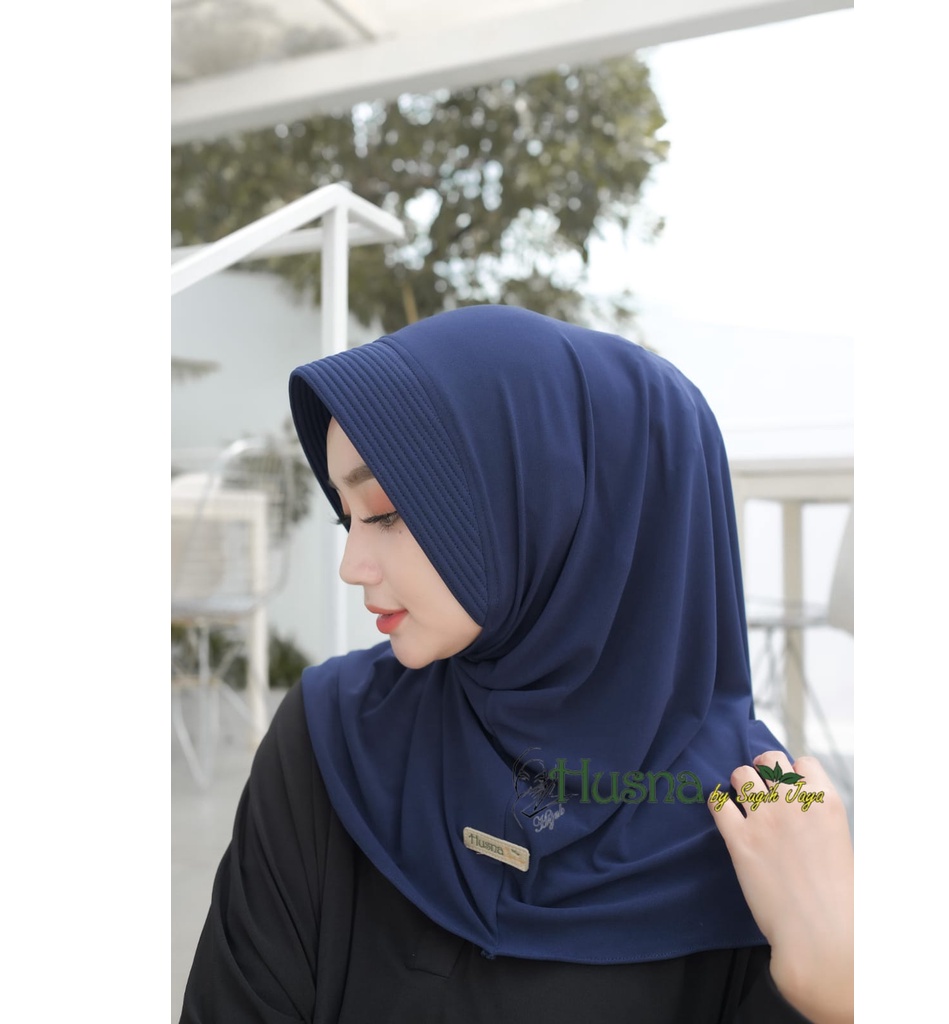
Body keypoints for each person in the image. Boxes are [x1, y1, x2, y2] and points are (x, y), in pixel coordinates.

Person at [180, 304, 853, 1023]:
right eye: (347, 517)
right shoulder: (331, 733)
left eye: (384, 512)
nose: (351, 564)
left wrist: (836, 987)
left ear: (551, 503)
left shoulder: (765, 821)